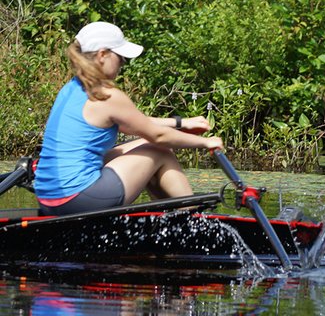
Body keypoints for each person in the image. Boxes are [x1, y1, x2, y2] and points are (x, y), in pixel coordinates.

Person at [34, 21, 223, 216]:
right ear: (102, 55)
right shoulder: (106, 94)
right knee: (160, 150)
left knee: (142, 144)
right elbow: (157, 135)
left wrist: (181, 123)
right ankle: (192, 221)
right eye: (121, 57)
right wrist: (206, 142)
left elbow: (134, 121)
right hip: (76, 201)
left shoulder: (72, 88)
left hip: (49, 199)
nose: (123, 63)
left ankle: (172, 216)